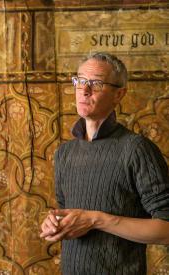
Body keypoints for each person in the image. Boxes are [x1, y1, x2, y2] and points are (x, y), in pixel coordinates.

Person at [39, 52, 169, 274]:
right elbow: (67, 213)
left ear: (119, 94)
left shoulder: (136, 149)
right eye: (80, 81)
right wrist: (53, 223)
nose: (84, 90)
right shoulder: (64, 153)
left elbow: (166, 229)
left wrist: (97, 220)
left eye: (96, 83)